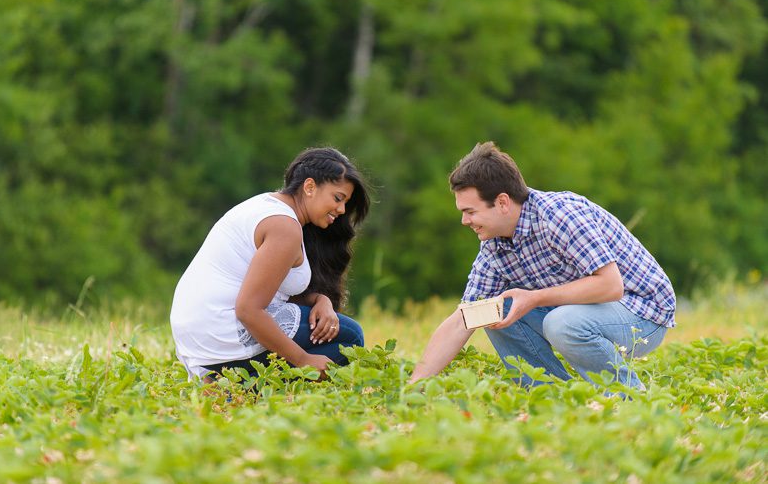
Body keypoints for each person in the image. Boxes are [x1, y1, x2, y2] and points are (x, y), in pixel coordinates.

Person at [410, 142, 675, 389]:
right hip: (586, 312)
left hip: (642, 313)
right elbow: (463, 320)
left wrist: (534, 299)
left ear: (502, 202)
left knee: (562, 323)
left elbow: (611, 286)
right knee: (492, 310)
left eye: (470, 211)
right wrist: (415, 386)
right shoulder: (494, 245)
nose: (464, 221)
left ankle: (627, 398)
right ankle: (553, 399)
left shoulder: (559, 215)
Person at [170, 147, 370, 381]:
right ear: (309, 187)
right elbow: (248, 309)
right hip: (219, 330)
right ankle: (236, 385)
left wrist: (320, 299)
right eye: (338, 198)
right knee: (351, 338)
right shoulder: (284, 227)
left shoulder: (268, 206)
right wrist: (303, 361)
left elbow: (269, 290)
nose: (342, 210)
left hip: (199, 331)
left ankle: (232, 379)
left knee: (339, 338)